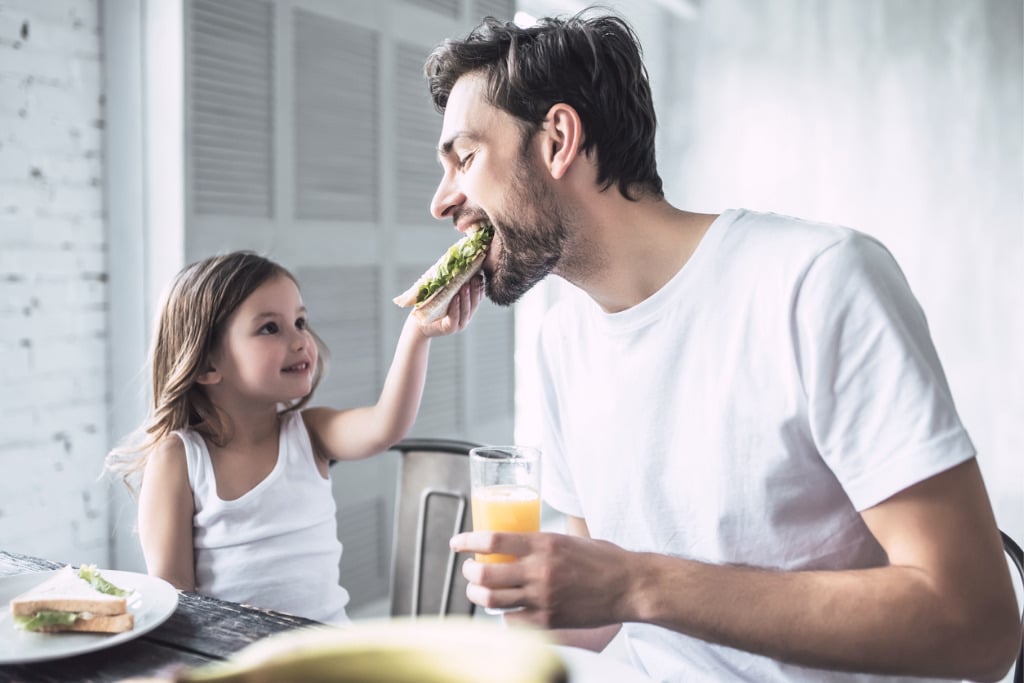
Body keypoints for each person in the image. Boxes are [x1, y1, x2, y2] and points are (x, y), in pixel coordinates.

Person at [427, 10, 1021, 683]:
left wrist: (637, 582)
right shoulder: (562, 342)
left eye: (464, 158)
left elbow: (978, 625)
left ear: (558, 138)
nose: (441, 201)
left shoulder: (818, 281)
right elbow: (594, 614)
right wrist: (531, 591)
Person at [106, 250, 482, 624]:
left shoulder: (310, 433)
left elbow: (386, 425)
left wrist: (418, 332)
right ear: (207, 364)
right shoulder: (179, 459)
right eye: (270, 327)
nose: (301, 340)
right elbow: (176, 601)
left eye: (300, 322)